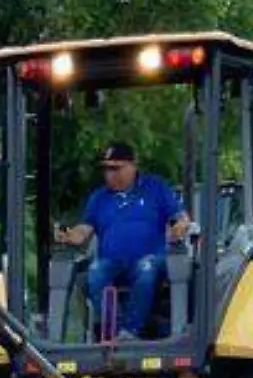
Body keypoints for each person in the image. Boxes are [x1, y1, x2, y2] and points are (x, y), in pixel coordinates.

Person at [54, 141, 190, 340]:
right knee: (95, 271)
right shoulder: (99, 198)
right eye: (107, 169)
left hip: (152, 260)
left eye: (116, 168)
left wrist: (179, 226)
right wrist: (68, 235)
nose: (110, 174)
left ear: (133, 166)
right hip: (113, 263)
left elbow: (181, 217)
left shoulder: (155, 187)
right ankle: (113, 332)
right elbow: (84, 230)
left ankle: (130, 332)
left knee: (146, 267)